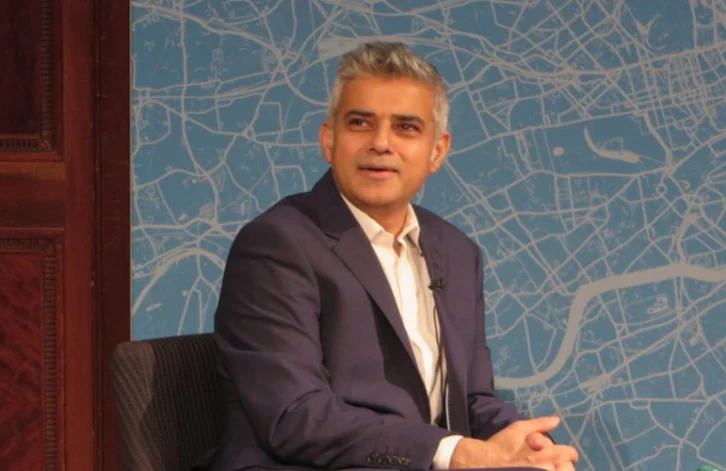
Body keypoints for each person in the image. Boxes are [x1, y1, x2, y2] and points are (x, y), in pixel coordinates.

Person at [209, 42, 578, 471]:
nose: (381, 143)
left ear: (437, 151)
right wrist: (455, 453)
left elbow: (472, 399)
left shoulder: (457, 251)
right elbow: (295, 416)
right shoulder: (277, 244)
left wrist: (528, 445)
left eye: (406, 127)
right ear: (329, 140)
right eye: (360, 123)